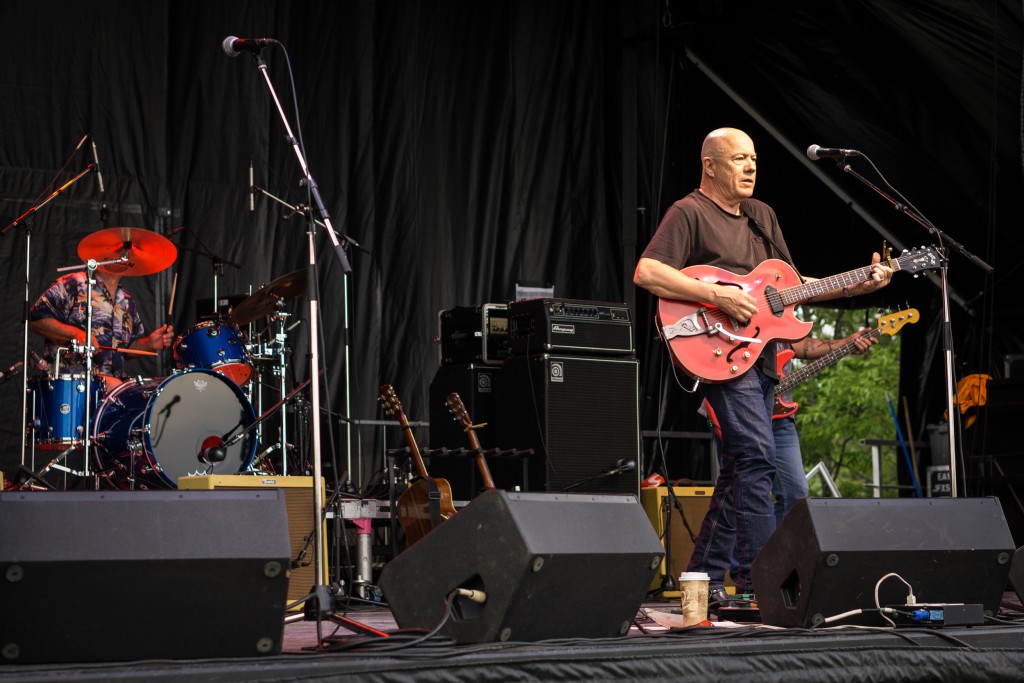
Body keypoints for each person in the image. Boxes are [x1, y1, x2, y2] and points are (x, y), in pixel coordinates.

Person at [633, 127, 892, 598]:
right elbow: (648, 271)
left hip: (763, 358)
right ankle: (759, 583)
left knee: (739, 466)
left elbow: (792, 286)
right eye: (738, 159)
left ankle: (706, 578)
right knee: (756, 457)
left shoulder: (761, 216)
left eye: (753, 159)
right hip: (719, 351)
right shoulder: (688, 212)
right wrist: (716, 296)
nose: (751, 166)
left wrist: (857, 284)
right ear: (710, 165)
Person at [29, 268, 174, 388]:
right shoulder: (73, 283)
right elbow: (36, 319)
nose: (126, 254)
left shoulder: (126, 299)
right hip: (70, 386)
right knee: (117, 387)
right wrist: (77, 335)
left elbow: (129, 348)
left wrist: (149, 343)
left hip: (112, 393)